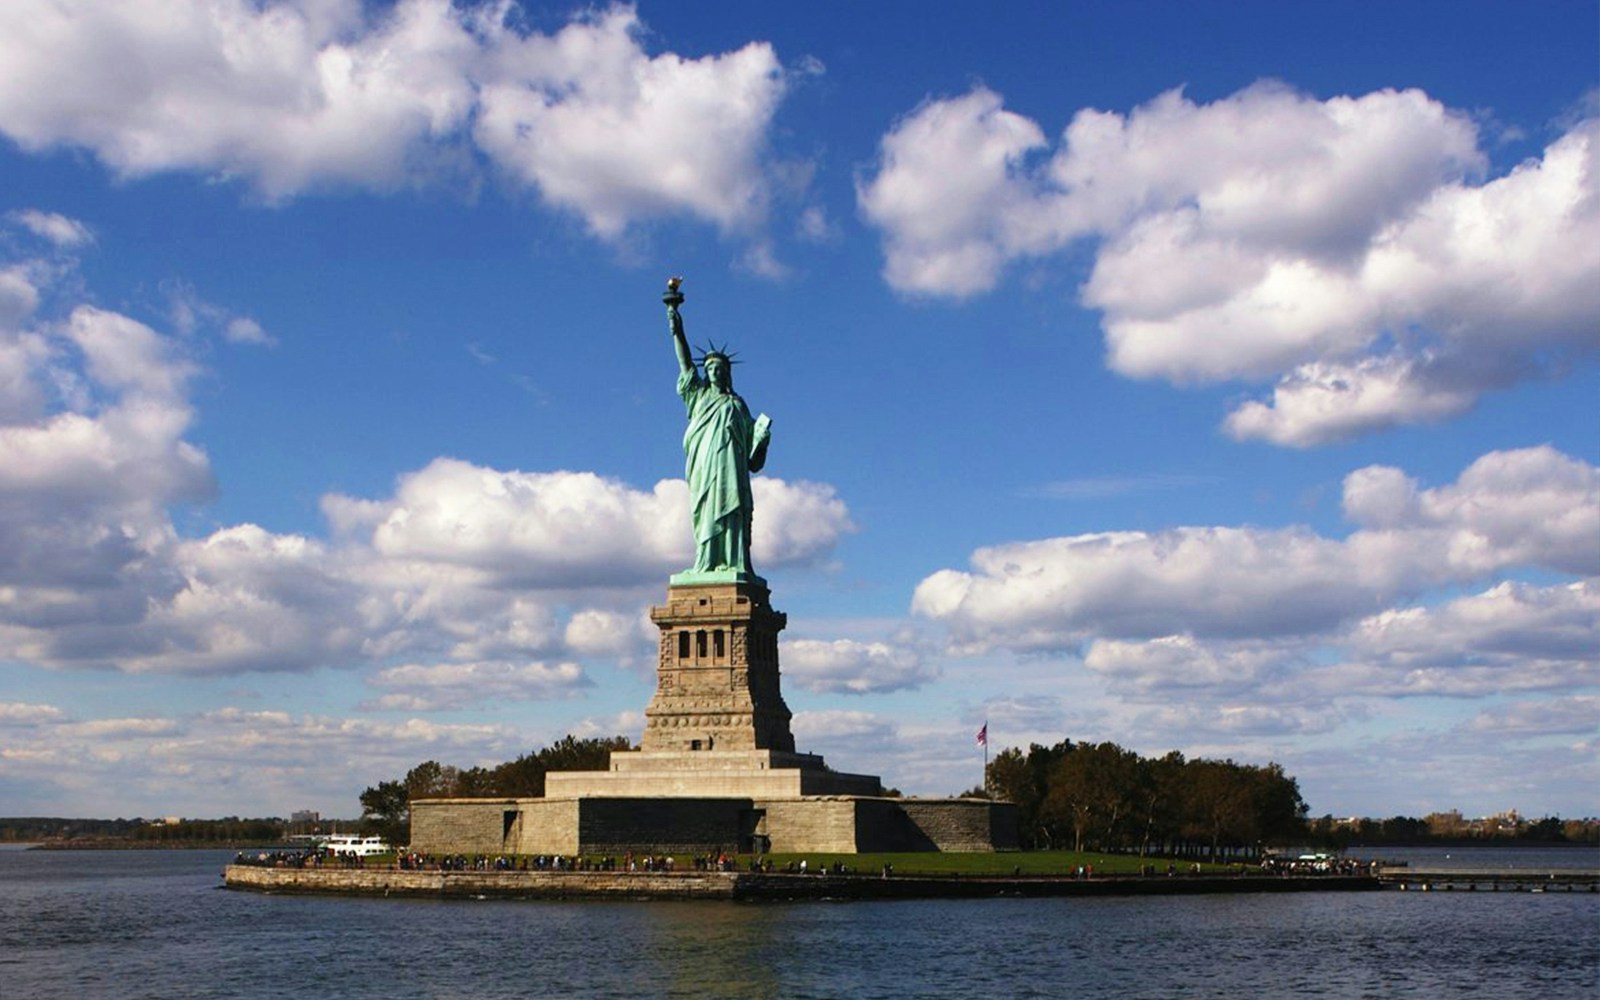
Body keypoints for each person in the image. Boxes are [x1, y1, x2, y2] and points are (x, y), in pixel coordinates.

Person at [664, 279, 771, 577]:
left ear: (726, 372)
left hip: (731, 469)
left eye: (718, 368)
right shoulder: (697, 396)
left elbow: (753, 458)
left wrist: (762, 440)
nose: (713, 371)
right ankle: (707, 561)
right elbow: (684, 360)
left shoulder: (738, 405)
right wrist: (675, 322)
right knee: (706, 510)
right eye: (709, 367)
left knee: (733, 509)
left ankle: (734, 562)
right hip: (704, 466)